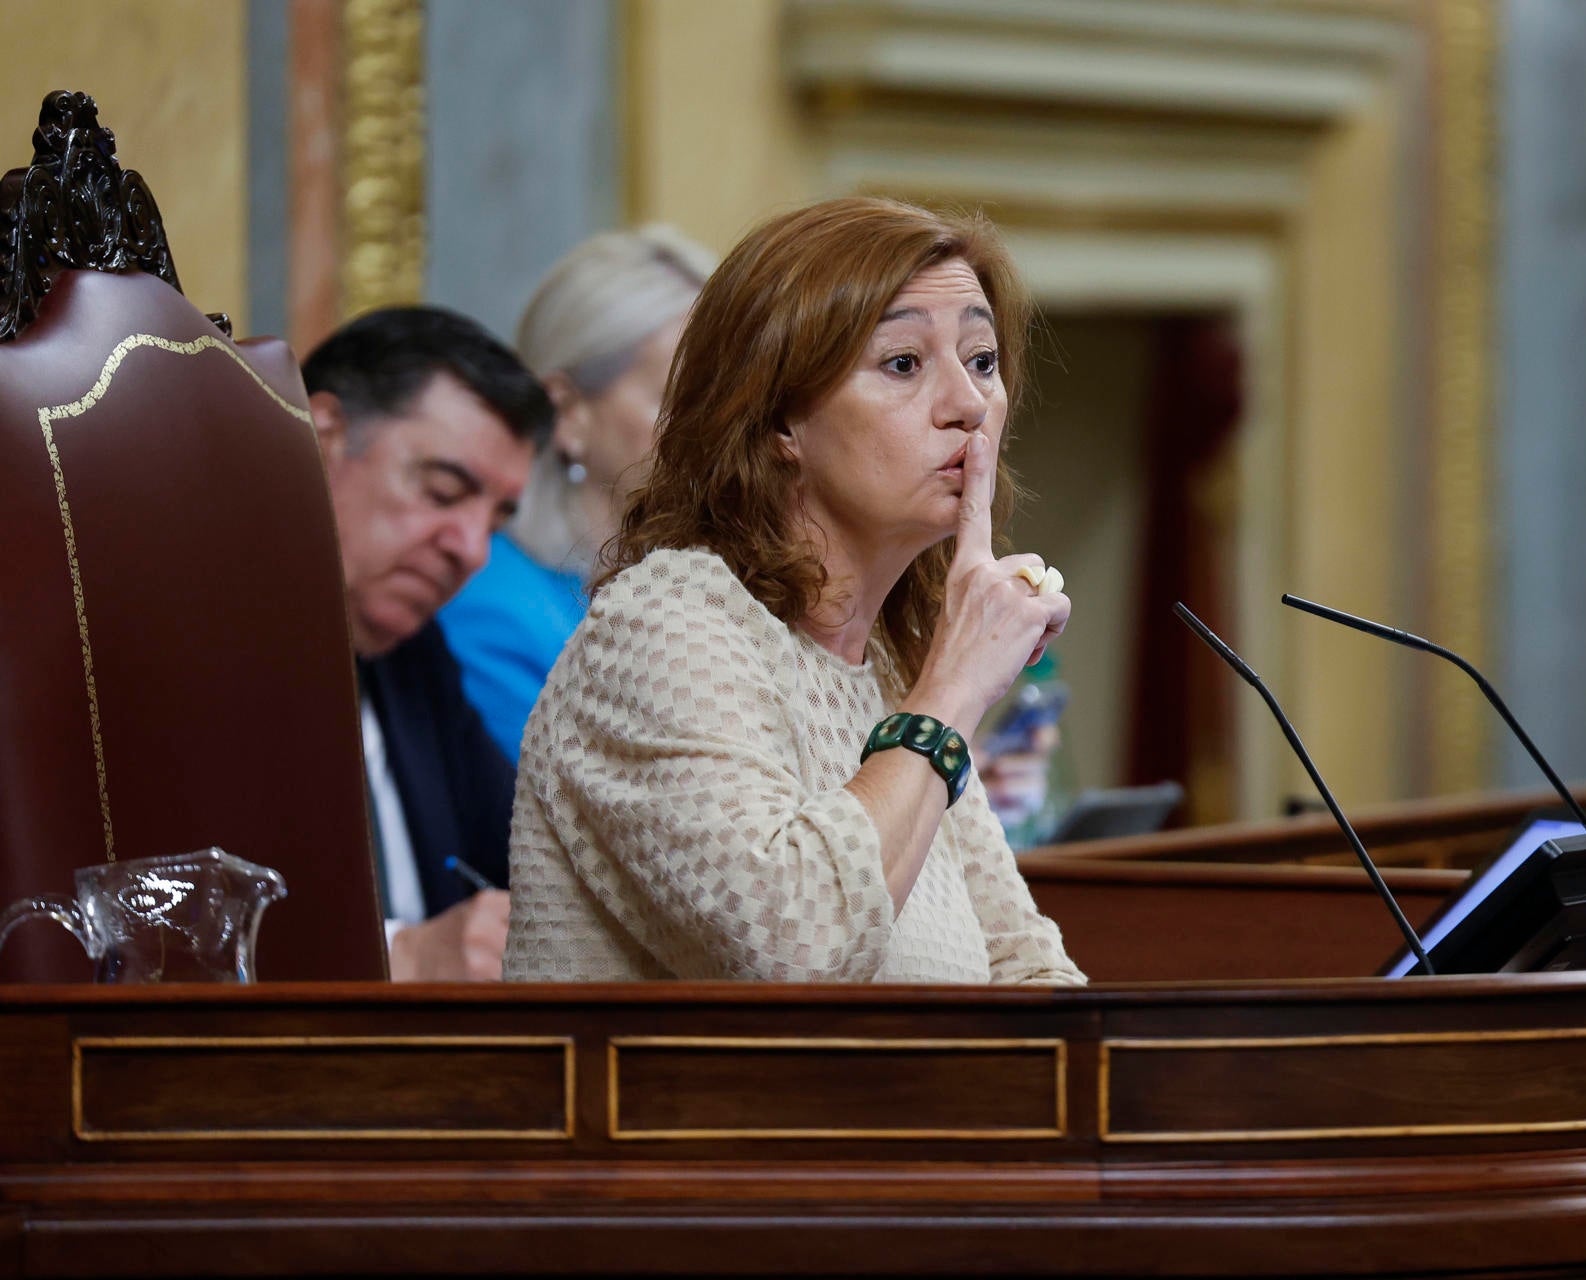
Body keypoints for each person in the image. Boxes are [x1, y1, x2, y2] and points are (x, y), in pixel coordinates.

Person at [504, 196, 1085, 985]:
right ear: (780, 419)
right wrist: (952, 691)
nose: (969, 405)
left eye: (982, 360)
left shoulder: (880, 668)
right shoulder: (663, 627)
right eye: (904, 364)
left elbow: (1026, 966)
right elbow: (794, 956)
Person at [303, 306, 554, 981]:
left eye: (496, 520)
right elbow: (155, 922)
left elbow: (530, 863)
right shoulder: (179, 649)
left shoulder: (418, 659)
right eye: (444, 491)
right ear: (322, 438)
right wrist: (400, 959)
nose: (472, 551)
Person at [439, 227, 714, 762]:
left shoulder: (712, 588)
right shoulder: (490, 608)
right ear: (566, 412)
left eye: (725, 397)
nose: (714, 427)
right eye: (679, 397)